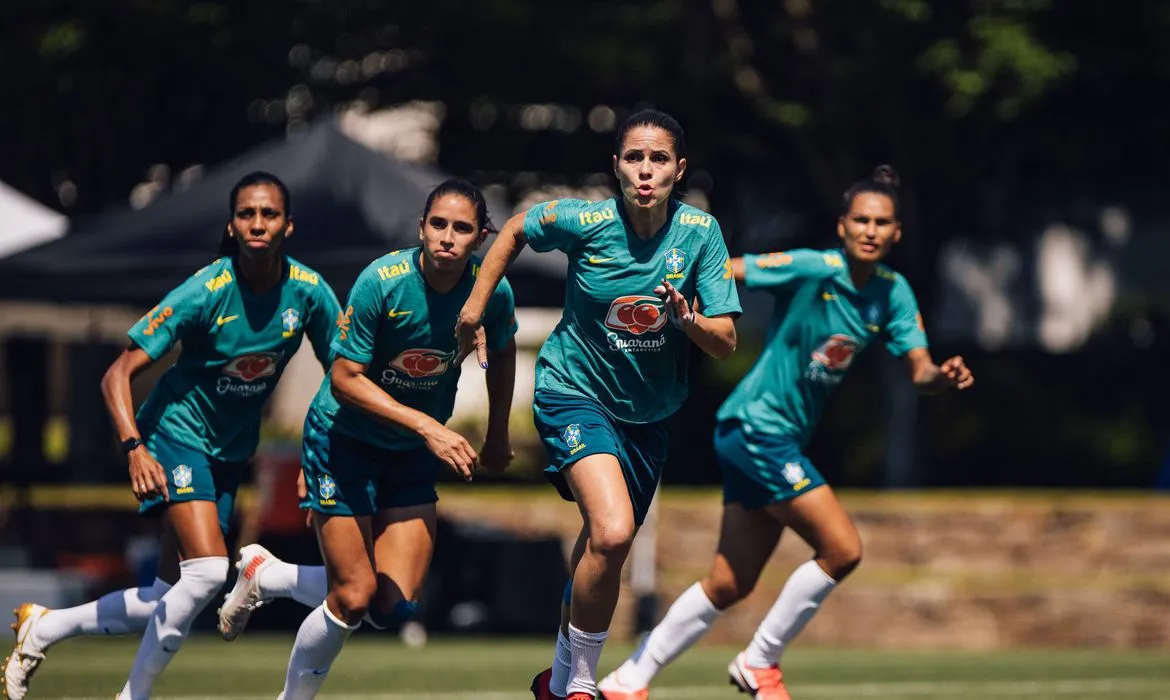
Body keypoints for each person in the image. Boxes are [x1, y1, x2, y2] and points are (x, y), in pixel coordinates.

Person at [597, 166, 975, 700]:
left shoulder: (894, 294)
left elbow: (921, 371)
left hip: (773, 440)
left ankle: (627, 679)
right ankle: (760, 660)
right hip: (755, 429)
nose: (870, 230)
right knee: (843, 548)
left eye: (882, 222)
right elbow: (730, 269)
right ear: (842, 227)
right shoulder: (813, 267)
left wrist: (944, 377)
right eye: (860, 220)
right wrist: (671, 297)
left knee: (730, 583)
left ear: (897, 234)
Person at [2, 172, 340, 700]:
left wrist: (322, 461)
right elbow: (116, 373)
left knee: (169, 593)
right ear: (232, 225)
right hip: (175, 436)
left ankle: (43, 628)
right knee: (207, 574)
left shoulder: (310, 292)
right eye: (246, 214)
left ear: (288, 225)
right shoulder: (205, 291)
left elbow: (344, 378)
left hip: (230, 452)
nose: (257, 223)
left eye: (268, 214)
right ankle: (131, 696)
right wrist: (134, 447)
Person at [455, 109, 741, 700]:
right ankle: (581, 685)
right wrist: (474, 307)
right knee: (611, 535)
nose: (645, 170)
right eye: (633, 158)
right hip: (573, 394)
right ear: (616, 166)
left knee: (602, 549)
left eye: (658, 159)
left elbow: (726, 340)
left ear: (678, 170)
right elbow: (511, 231)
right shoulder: (584, 218)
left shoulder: (699, 234)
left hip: (648, 418)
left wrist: (688, 320)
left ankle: (555, 685)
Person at [257, 179, 517, 699]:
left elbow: (504, 355)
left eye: (462, 228)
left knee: (393, 606)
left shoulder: (492, 292)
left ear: (481, 237)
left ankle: (270, 576)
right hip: (343, 441)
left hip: (407, 455)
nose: (447, 237)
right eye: (437, 224)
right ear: (421, 227)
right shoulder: (383, 280)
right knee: (352, 597)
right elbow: (344, 378)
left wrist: (497, 435)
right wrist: (427, 426)